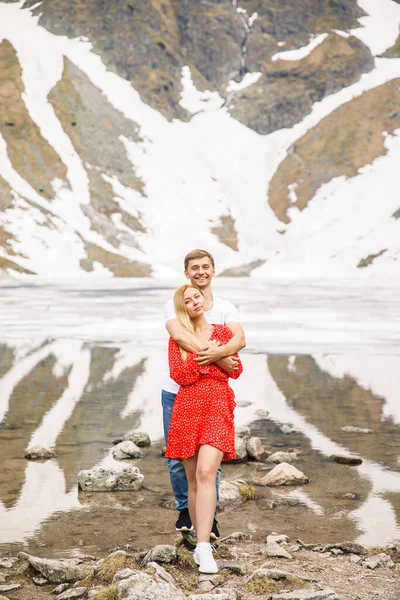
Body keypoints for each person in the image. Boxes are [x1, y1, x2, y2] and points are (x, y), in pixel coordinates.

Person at [161, 249, 246, 538]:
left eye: (205, 267)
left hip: (211, 397)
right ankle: (186, 510)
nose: (200, 272)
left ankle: (210, 521)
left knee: (209, 467)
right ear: (186, 272)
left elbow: (239, 341)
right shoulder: (174, 304)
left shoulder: (224, 309)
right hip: (177, 395)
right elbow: (181, 337)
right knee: (177, 462)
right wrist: (220, 357)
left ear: (213, 270)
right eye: (194, 268)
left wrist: (222, 354)